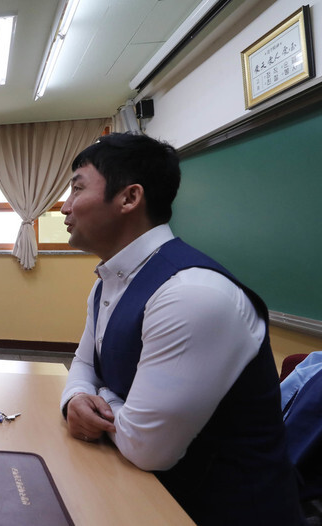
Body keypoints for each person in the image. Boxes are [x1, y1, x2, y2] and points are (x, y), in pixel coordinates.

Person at [58, 133, 302, 525]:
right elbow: (83, 363)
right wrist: (74, 399)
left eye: (77, 189)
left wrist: (98, 393)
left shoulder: (191, 293)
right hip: (147, 496)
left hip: (220, 511)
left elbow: (145, 446)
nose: (65, 206)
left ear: (129, 198)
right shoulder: (109, 281)